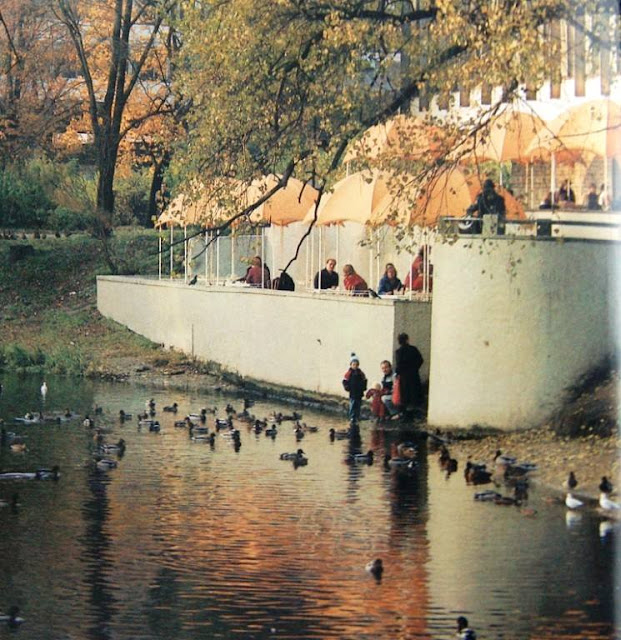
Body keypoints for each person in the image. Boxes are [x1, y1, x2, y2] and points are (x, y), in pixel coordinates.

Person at [395, 333, 424, 414]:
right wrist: (415, 368)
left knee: (405, 394)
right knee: (414, 392)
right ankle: (415, 410)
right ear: (407, 339)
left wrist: (398, 373)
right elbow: (420, 360)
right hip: (413, 374)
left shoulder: (398, 352)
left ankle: (406, 413)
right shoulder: (413, 349)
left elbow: (399, 365)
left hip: (404, 376)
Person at [342, 354, 367, 425]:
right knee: (352, 404)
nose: (355, 366)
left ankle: (357, 416)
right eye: (353, 364)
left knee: (358, 405)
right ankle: (352, 417)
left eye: (356, 364)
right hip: (352, 392)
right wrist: (346, 387)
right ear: (351, 365)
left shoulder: (360, 373)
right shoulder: (349, 373)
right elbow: (344, 381)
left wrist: (364, 387)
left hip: (359, 392)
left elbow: (364, 380)